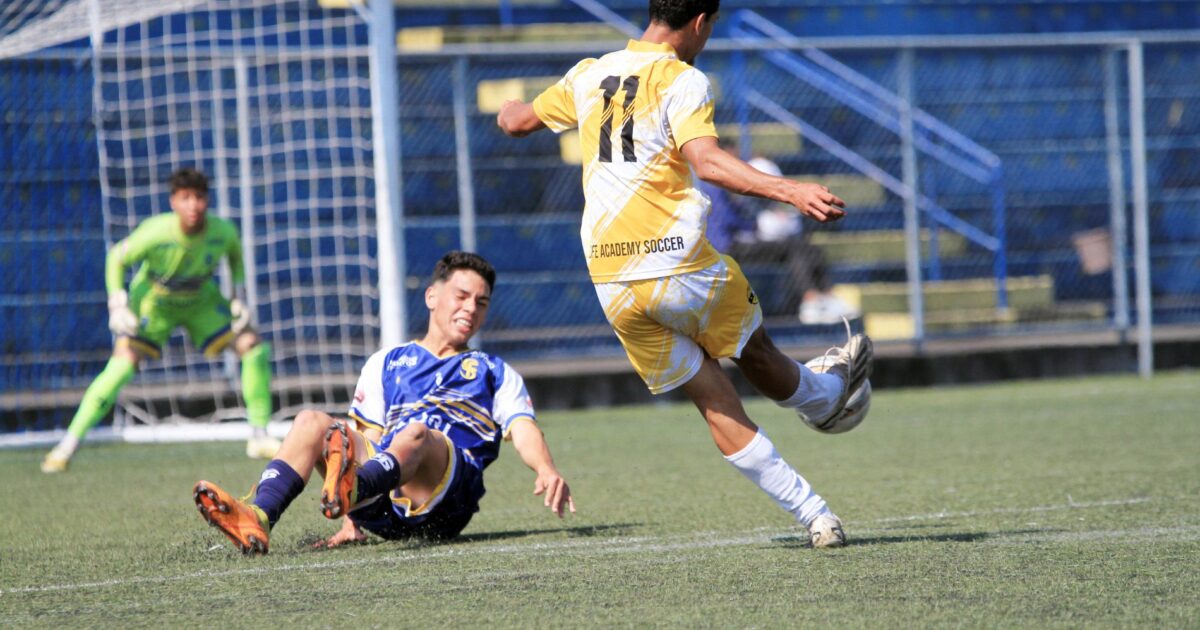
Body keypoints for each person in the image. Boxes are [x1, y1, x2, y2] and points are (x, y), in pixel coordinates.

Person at [497, 0, 872, 548]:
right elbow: (709, 163)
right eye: (711, 26)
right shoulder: (683, 79)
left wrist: (510, 109)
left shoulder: (588, 73)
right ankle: (822, 397)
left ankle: (816, 517)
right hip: (676, 262)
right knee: (755, 351)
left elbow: (517, 122)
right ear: (700, 22)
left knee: (714, 401)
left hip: (612, 279)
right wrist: (792, 191)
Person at [193, 252, 575, 555]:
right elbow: (361, 439)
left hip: (444, 501)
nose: (471, 308)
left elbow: (522, 426)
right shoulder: (386, 363)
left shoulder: (493, 371)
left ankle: (353, 489)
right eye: (461, 296)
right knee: (312, 421)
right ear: (432, 296)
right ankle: (258, 517)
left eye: (481, 302)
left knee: (417, 433)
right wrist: (352, 521)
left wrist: (545, 468)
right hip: (378, 499)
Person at [41, 167, 278, 473]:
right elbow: (116, 257)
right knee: (122, 364)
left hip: (199, 300)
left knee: (253, 346)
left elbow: (235, 257)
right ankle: (67, 445)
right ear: (173, 202)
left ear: (207, 200)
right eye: (185, 198)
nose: (193, 205)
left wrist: (238, 296)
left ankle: (259, 435)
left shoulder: (223, 232)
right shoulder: (156, 232)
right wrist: (117, 303)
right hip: (154, 300)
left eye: (199, 197)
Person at [706, 156, 859, 324]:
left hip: (739, 242)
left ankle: (827, 297)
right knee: (792, 247)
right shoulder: (714, 184)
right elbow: (728, 221)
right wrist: (757, 225)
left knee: (810, 248)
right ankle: (811, 300)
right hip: (729, 247)